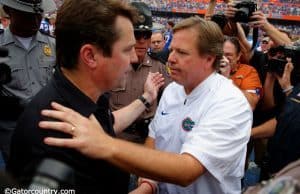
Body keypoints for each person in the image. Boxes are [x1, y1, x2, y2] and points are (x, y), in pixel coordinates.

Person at [39, 16, 253, 194]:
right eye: (172, 50)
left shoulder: (230, 103)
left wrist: (104, 144)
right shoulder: (172, 90)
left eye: (182, 53)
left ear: (209, 59)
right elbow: (154, 139)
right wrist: (147, 185)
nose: (171, 58)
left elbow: (187, 170)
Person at [7, 0, 165, 193]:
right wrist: (146, 189)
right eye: (126, 49)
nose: (133, 58)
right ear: (90, 56)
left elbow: (107, 124)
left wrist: (146, 98)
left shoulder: (91, 97)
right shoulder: (53, 132)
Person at [0, 0, 56, 165]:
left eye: (38, 14)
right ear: (9, 11)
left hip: (48, 128)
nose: (35, 20)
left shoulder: (53, 46)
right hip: (11, 132)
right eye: (27, 15)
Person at [110, 2, 170, 143]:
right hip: (118, 137)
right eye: (137, 35)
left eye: (146, 35)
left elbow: (173, 98)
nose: (142, 41)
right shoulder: (112, 65)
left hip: (148, 138)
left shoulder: (159, 66)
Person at [221, 36, 262, 110]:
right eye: (220, 54)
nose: (223, 58)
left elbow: (251, 104)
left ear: (238, 56)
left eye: (228, 55)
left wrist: (227, 80)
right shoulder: (208, 67)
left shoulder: (248, 71)